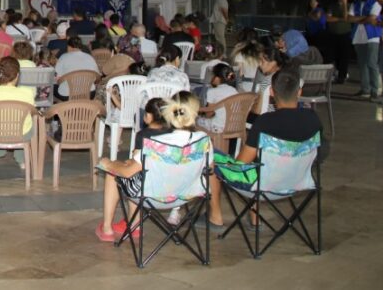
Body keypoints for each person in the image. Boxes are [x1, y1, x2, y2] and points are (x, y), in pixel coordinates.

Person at [208, 70, 323, 226]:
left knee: (210, 156)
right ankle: (254, 218)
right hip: (298, 182)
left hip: (265, 186)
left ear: (271, 92)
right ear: (299, 91)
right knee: (261, 164)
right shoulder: (312, 118)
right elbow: (319, 155)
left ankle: (215, 217)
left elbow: (241, 164)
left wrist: (226, 165)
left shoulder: (265, 122)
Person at [96, 94, 193, 242]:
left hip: (153, 192)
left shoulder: (145, 136)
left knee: (114, 174)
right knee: (134, 171)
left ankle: (108, 228)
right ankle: (133, 224)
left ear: (148, 116)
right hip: (181, 192)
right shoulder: (181, 136)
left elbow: (132, 171)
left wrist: (109, 164)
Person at [0, 57, 35, 170]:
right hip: (21, 135)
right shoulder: (28, 92)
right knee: (25, 124)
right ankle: (23, 160)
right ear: (18, 75)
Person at [349, 0, 383, 99]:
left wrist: (358, 19)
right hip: (358, 36)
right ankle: (365, 89)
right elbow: (349, 18)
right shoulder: (355, 4)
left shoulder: (376, 3)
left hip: (372, 36)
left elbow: (372, 18)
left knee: (372, 63)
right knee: (362, 64)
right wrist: (365, 18)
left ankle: (375, 90)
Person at [196, 63, 238, 133]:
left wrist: (199, 111)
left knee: (196, 120)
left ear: (217, 78)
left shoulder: (212, 91)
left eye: (212, 75)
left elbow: (209, 113)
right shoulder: (234, 90)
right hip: (233, 126)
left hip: (218, 127)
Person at [326, 0, 354, 84]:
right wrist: (340, 19)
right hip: (333, 33)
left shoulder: (351, 6)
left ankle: (342, 76)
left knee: (344, 56)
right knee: (331, 55)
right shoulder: (332, 6)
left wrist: (345, 4)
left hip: (345, 33)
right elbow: (328, 18)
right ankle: (332, 75)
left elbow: (346, 18)